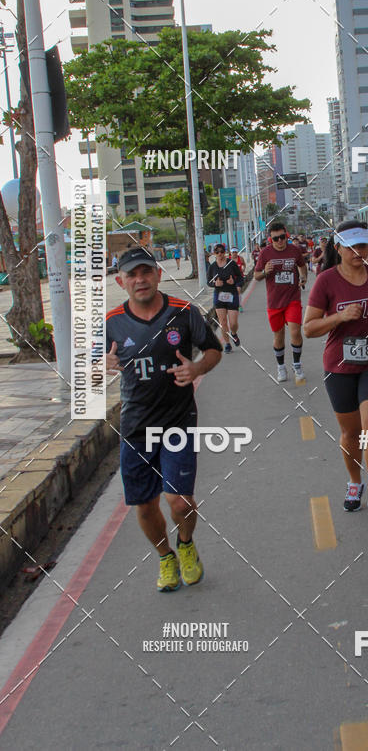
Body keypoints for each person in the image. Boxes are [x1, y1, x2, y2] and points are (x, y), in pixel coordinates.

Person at [105, 247, 222, 591]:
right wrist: (100, 369)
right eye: (132, 275)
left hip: (178, 422)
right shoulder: (112, 323)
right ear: (121, 281)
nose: (139, 280)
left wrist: (197, 367)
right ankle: (165, 557)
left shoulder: (184, 313)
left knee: (180, 501)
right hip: (136, 428)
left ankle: (186, 544)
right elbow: (92, 370)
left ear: (158, 273)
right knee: (144, 506)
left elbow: (213, 349)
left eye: (145, 272)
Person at [304, 220, 368, 522]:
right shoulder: (326, 281)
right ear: (339, 248)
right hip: (340, 365)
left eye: (363, 246)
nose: (360, 252)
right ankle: (354, 482)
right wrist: (340, 317)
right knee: (351, 433)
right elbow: (309, 328)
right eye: (353, 247)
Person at [254, 222, 308, 384]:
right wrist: (265, 272)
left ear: (287, 235)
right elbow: (256, 276)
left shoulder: (294, 250)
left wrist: (303, 277)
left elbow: (302, 266)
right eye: (275, 239)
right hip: (275, 302)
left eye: (282, 237)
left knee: (295, 331)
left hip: (292, 298)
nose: (279, 241)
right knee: (279, 336)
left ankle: (297, 365)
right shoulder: (265, 253)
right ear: (270, 240)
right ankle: (281, 367)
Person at [207, 244, 243, 352]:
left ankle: (234, 333)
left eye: (222, 251)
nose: (220, 254)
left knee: (233, 323)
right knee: (222, 322)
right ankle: (227, 344)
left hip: (232, 295)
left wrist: (235, 282)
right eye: (217, 252)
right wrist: (215, 284)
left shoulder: (232, 264)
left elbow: (241, 277)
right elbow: (208, 282)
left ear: (225, 252)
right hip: (219, 296)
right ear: (214, 253)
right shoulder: (212, 267)